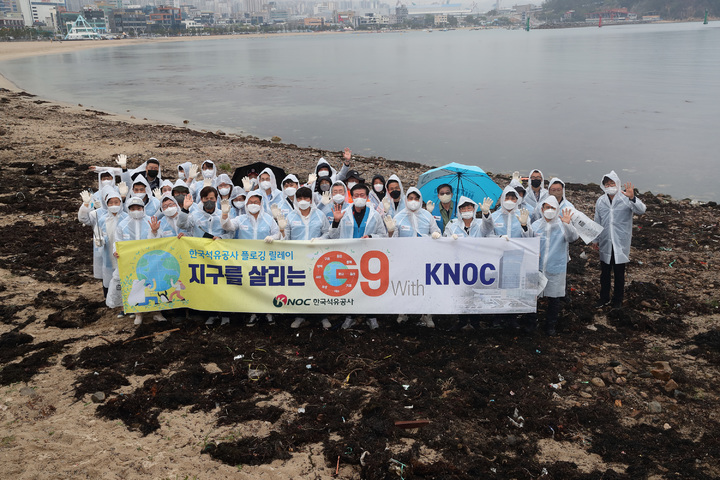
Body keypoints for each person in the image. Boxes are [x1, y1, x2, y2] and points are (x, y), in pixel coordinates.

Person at [329, 183, 387, 330]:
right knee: (351, 287)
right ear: (352, 197)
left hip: (368, 257)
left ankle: (371, 316)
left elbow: (383, 235)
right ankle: (350, 316)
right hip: (349, 257)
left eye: (362, 195)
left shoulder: (375, 215)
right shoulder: (344, 213)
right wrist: (336, 221)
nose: (359, 198)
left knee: (369, 287)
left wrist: (372, 236)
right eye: (356, 196)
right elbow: (333, 236)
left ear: (367, 197)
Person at [221, 191, 280, 327]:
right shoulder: (241, 219)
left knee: (265, 286)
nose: (253, 205)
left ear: (261, 204)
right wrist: (225, 215)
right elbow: (227, 226)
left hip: (264, 260)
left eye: (256, 202)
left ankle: (268, 312)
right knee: (250, 287)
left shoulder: (268, 219)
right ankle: (253, 313)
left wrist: (274, 237)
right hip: (245, 260)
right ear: (246, 204)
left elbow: (277, 233)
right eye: (250, 202)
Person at [386, 187, 441, 328]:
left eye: (416, 199)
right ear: (406, 200)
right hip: (405, 258)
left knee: (426, 286)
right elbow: (393, 240)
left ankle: (427, 315)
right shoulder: (399, 217)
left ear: (420, 200)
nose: (413, 201)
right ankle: (403, 313)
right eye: (410, 198)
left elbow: (436, 232)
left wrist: (433, 236)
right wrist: (391, 231)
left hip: (425, 257)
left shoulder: (427, 216)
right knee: (405, 286)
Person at [279, 186, 331, 330]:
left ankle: (322, 316)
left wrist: (320, 239)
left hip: (317, 257)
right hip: (298, 258)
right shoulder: (290, 217)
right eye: (300, 198)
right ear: (296, 200)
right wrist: (282, 230)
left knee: (318, 287)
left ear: (311, 200)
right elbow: (285, 239)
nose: (303, 201)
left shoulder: (320, 215)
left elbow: (328, 233)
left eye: (306, 198)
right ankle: (300, 316)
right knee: (300, 287)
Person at [593, 171, 646, 309]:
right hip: (605, 241)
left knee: (619, 273)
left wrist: (633, 198)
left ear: (617, 184)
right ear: (603, 186)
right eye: (607, 184)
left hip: (620, 242)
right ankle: (604, 298)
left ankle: (617, 300)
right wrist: (595, 239)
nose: (609, 186)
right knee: (604, 273)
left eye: (612, 183)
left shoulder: (625, 198)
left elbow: (641, 210)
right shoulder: (601, 200)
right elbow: (597, 220)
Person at [529, 197, 579, 335]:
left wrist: (568, 224)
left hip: (556, 267)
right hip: (537, 267)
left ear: (557, 210)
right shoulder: (536, 226)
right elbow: (527, 240)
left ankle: (550, 325)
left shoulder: (563, 226)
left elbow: (573, 238)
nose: (549, 211)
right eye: (547, 207)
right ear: (542, 209)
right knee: (533, 296)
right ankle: (532, 322)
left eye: (553, 208)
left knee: (554, 298)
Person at [113, 196, 166, 325]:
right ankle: (138, 313)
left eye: (139, 208)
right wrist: (116, 251)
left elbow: (159, 240)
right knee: (136, 286)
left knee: (154, 285)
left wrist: (154, 231)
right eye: (133, 208)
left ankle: (157, 312)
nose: (136, 210)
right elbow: (117, 242)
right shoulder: (122, 224)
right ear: (128, 209)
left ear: (143, 208)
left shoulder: (151, 221)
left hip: (150, 260)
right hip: (132, 261)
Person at [78, 187, 127, 303]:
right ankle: (111, 300)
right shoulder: (101, 218)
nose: (113, 205)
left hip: (123, 253)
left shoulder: (126, 217)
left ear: (121, 203)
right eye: (110, 202)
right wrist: (86, 205)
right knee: (109, 274)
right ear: (106, 203)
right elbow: (84, 219)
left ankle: (124, 302)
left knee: (124, 275)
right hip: (107, 251)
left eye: (116, 202)